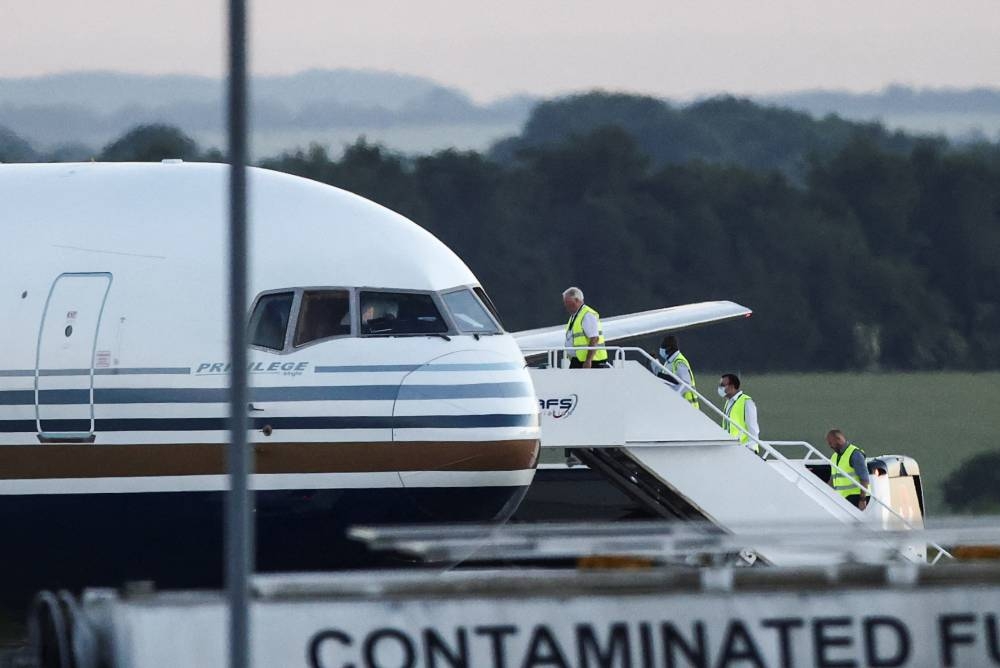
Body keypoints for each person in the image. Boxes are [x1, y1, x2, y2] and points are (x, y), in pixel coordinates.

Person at [562, 287, 608, 368]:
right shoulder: (575, 315)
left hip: (592, 361)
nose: (565, 305)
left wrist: (588, 360)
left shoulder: (587, 315)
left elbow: (594, 338)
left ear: (576, 300)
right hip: (578, 360)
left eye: (567, 302)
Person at [825, 429, 870, 510]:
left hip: (856, 498)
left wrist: (862, 500)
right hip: (842, 499)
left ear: (838, 439)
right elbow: (833, 480)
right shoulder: (834, 457)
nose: (830, 446)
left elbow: (864, 479)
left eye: (830, 442)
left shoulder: (855, 454)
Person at [651, 335, 699, 408]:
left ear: (668, 349)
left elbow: (685, 384)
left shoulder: (680, 362)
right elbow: (662, 375)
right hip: (678, 406)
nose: (661, 350)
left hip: (687, 407)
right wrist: (654, 362)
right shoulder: (669, 361)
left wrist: (674, 396)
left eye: (662, 348)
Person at [719, 373, 760, 453]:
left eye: (723, 385)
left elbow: (752, 427)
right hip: (731, 448)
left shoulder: (746, 401)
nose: (720, 388)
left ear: (732, 386)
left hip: (744, 449)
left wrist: (753, 448)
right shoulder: (728, 402)